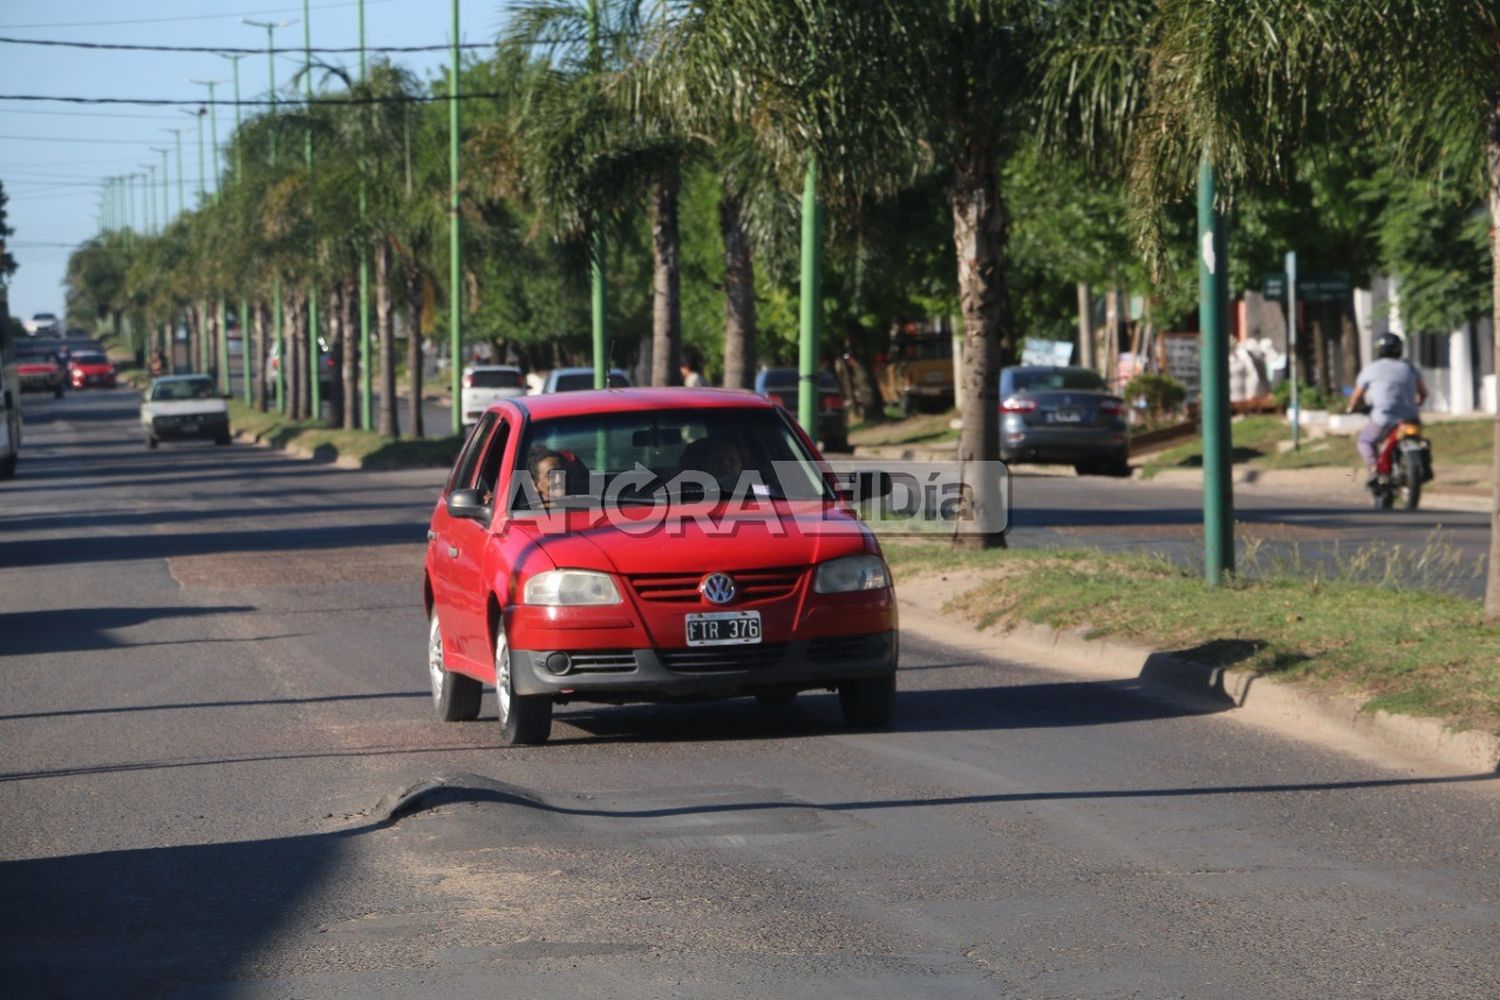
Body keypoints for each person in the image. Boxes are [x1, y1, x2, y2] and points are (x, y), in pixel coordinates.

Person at [1348, 332, 1427, 486]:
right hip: (1410, 417)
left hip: (1384, 418)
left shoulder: (1371, 369)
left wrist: (1352, 407)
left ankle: (1374, 469)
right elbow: (1423, 393)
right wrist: (1416, 405)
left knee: (1365, 441)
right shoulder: (1409, 368)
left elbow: (1356, 396)